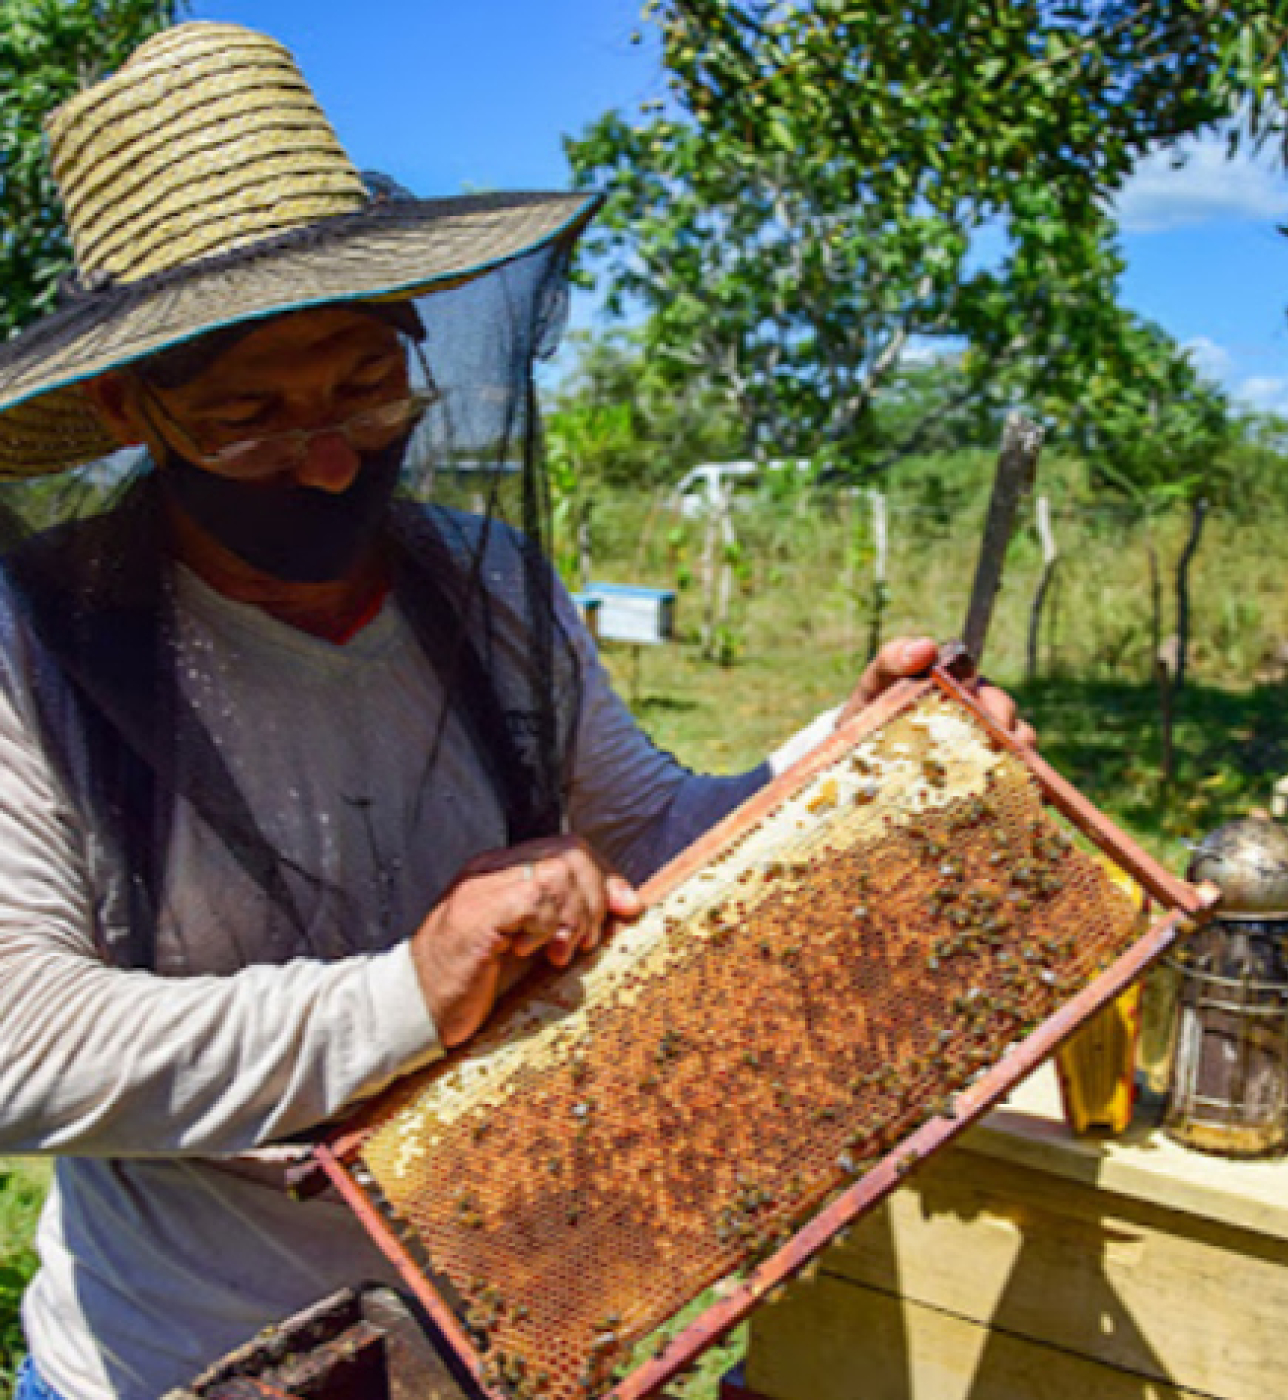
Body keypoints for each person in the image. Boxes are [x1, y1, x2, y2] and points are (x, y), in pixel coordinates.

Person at [0, 22, 1028, 1400]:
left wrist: (850, 763)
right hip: (181, 1365)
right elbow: (24, 1047)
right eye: (248, 413)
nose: (322, 457)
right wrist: (409, 988)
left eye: (365, 385)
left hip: (503, 1324)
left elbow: (651, 831)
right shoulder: (36, 643)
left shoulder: (486, 581)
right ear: (133, 409)